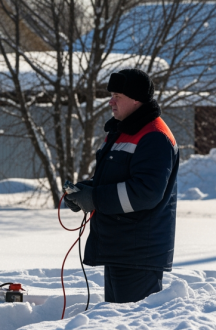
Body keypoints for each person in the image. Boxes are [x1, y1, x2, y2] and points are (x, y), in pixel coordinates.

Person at [64, 68, 178, 303]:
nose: (110, 102)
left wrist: (95, 198)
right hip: (120, 248)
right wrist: (83, 192)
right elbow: (113, 181)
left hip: (139, 255)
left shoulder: (154, 136)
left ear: (136, 99)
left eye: (118, 96)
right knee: (117, 327)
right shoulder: (122, 132)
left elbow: (145, 192)